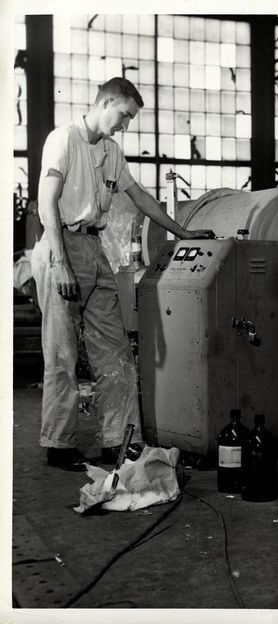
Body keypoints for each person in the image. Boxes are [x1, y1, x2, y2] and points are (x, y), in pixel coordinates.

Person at [31, 77, 214, 471]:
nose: (125, 125)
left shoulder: (112, 152)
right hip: (60, 243)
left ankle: (119, 440)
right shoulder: (63, 139)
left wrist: (183, 231)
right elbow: (47, 203)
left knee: (114, 351)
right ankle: (59, 444)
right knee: (62, 352)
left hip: (95, 250)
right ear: (107, 102)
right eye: (125, 115)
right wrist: (61, 262)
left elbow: (141, 197)